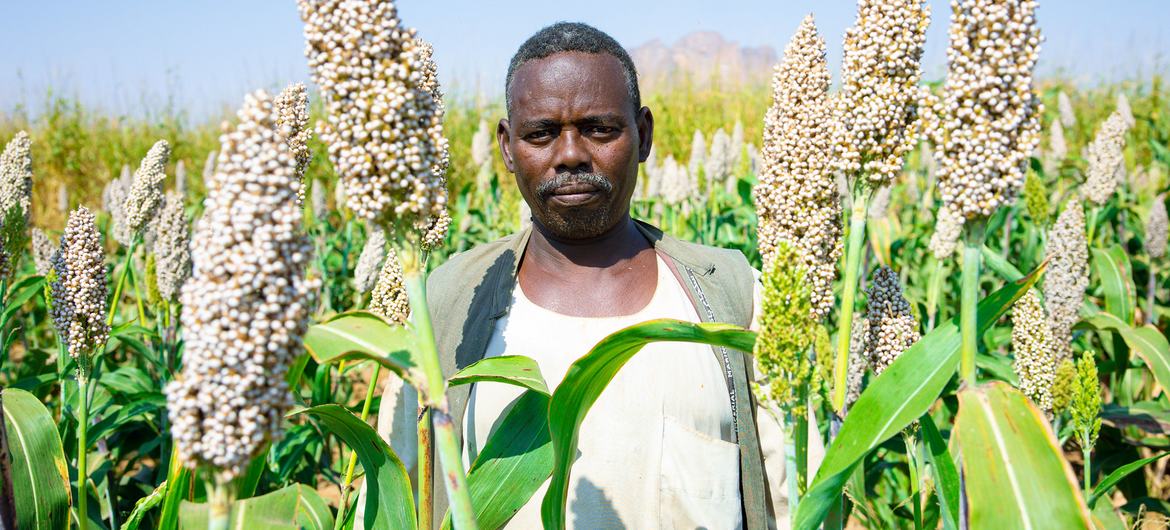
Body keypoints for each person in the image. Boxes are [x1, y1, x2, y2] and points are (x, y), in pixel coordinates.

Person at [368, 21, 821, 530]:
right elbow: (397, 499)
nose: (570, 155)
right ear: (507, 148)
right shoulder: (447, 309)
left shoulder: (733, 298)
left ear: (644, 134)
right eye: (540, 134)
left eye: (599, 129)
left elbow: (795, 500)